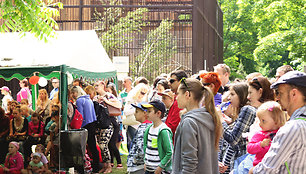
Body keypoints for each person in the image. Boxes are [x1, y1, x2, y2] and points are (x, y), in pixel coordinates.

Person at [250, 71, 306, 174]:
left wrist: (251, 171)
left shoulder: (292, 128)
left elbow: (264, 171)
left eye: (280, 93)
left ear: (294, 94)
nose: (277, 98)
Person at [172, 78, 222, 174]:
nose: (176, 97)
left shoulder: (189, 122)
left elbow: (189, 162)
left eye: (178, 93)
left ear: (187, 94)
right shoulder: (210, 117)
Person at [218, 83, 256, 173]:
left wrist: (220, 119)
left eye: (232, 94)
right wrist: (230, 123)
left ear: (241, 95)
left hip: (240, 163)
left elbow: (233, 139)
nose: (228, 98)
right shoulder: (242, 111)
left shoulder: (247, 109)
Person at [94, 81, 122, 173]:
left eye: (97, 85)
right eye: (95, 86)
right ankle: (105, 166)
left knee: (103, 145)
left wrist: (106, 101)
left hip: (109, 123)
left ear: (103, 86)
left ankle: (109, 165)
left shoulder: (108, 95)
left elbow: (119, 105)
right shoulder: (95, 97)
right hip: (99, 124)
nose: (95, 87)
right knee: (101, 145)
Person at [70, 86, 100, 173]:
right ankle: (96, 167)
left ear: (77, 92)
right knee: (93, 147)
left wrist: (78, 128)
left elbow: (80, 116)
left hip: (85, 125)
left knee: (80, 148)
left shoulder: (80, 101)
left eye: (73, 93)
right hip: (92, 124)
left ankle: (80, 168)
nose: (72, 95)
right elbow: (93, 114)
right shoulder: (89, 99)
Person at [247, 101, 286, 167]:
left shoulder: (282, 132)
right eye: (260, 120)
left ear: (276, 121)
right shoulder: (260, 134)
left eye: (263, 121)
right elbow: (249, 148)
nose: (260, 124)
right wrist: (260, 144)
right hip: (260, 167)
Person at [142, 100, 173, 174]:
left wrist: (160, 167)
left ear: (158, 113)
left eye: (149, 111)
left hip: (159, 171)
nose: (146, 113)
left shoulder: (164, 131)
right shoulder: (148, 129)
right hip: (148, 169)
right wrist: (145, 161)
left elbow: (170, 152)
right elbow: (146, 146)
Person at [123, 83, 149, 151]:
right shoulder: (131, 100)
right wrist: (137, 109)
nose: (142, 95)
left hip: (140, 124)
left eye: (144, 93)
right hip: (132, 124)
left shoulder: (143, 101)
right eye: (142, 92)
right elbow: (126, 112)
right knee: (132, 144)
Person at [127, 102, 151, 174]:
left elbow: (141, 148)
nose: (134, 114)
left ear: (144, 113)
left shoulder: (143, 128)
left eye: (137, 111)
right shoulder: (148, 126)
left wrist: (134, 160)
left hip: (137, 167)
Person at [166, 70, 187, 137]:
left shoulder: (182, 100)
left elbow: (173, 126)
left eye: (172, 81)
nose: (169, 84)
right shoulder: (176, 98)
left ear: (181, 82)